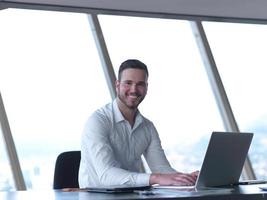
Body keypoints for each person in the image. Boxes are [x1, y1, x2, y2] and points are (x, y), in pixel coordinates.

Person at [78, 59, 198, 188]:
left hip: (131, 195)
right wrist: (155, 178)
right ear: (117, 85)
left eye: (140, 84)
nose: (134, 90)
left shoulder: (148, 127)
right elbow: (107, 175)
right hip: (96, 196)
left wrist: (186, 178)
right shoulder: (98, 121)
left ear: (146, 87)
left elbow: (161, 169)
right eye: (128, 83)